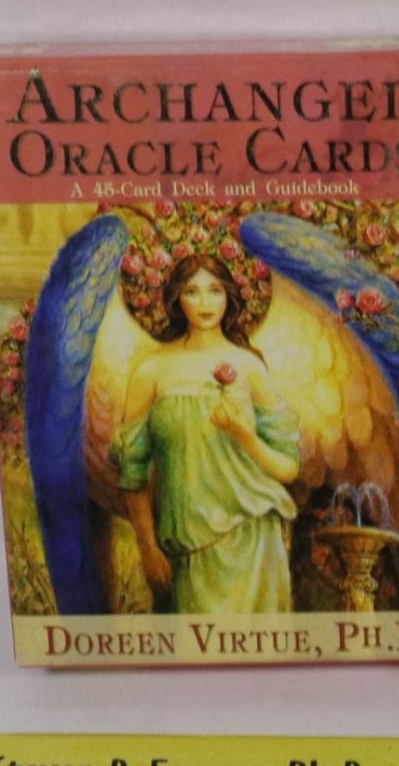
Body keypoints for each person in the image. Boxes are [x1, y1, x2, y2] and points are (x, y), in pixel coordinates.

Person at [110, 255, 303, 614]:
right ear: (176, 299)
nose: (205, 303)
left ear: (229, 296)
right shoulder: (151, 371)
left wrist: (246, 435)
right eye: (192, 291)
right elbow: (132, 474)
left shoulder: (249, 367)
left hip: (253, 543)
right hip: (186, 551)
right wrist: (148, 547)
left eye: (215, 291)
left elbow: (288, 468)